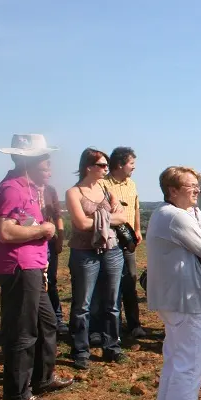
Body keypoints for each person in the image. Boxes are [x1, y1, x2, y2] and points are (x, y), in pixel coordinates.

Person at [0, 134, 74, 400]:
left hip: (32, 267)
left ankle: (42, 377)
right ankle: (17, 395)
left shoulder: (29, 188)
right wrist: (43, 230)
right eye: (44, 160)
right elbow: (5, 231)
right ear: (29, 161)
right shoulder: (12, 189)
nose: (49, 165)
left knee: (46, 323)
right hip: (19, 268)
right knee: (22, 332)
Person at [146, 166, 201, 400]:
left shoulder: (165, 214)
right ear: (172, 191)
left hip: (174, 298)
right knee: (190, 361)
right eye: (190, 186)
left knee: (176, 357)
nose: (196, 190)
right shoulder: (176, 217)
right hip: (188, 298)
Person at [66, 148, 130, 369]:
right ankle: (81, 351)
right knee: (83, 305)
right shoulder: (74, 193)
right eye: (102, 165)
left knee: (112, 303)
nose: (106, 169)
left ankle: (112, 347)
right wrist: (107, 218)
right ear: (88, 167)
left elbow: (122, 216)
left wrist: (101, 218)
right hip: (84, 252)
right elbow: (80, 224)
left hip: (111, 250)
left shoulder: (106, 189)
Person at [103, 147, 144, 338]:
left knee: (130, 281)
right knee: (111, 285)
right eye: (131, 163)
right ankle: (113, 327)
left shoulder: (132, 184)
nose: (134, 167)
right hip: (110, 240)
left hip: (129, 241)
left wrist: (137, 229)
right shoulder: (103, 184)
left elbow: (136, 207)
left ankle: (134, 325)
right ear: (120, 165)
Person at [37, 181, 67, 335]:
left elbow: (57, 215)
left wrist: (60, 238)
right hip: (33, 241)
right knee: (37, 281)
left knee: (50, 281)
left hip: (50, 241)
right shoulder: (25, 190)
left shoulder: (50, 189)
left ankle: (57, 318)